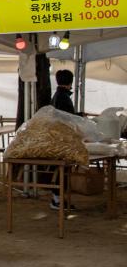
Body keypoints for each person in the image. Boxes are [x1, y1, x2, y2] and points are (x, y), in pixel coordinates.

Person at [49, 69, 76, 210]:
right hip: (62, 140)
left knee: (59, 170)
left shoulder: (57, 96)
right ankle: (57, 200)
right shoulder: (63, 97)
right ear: (70, 82)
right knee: (62, 170)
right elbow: (68, 118)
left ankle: (57, 198)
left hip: (56, 138)